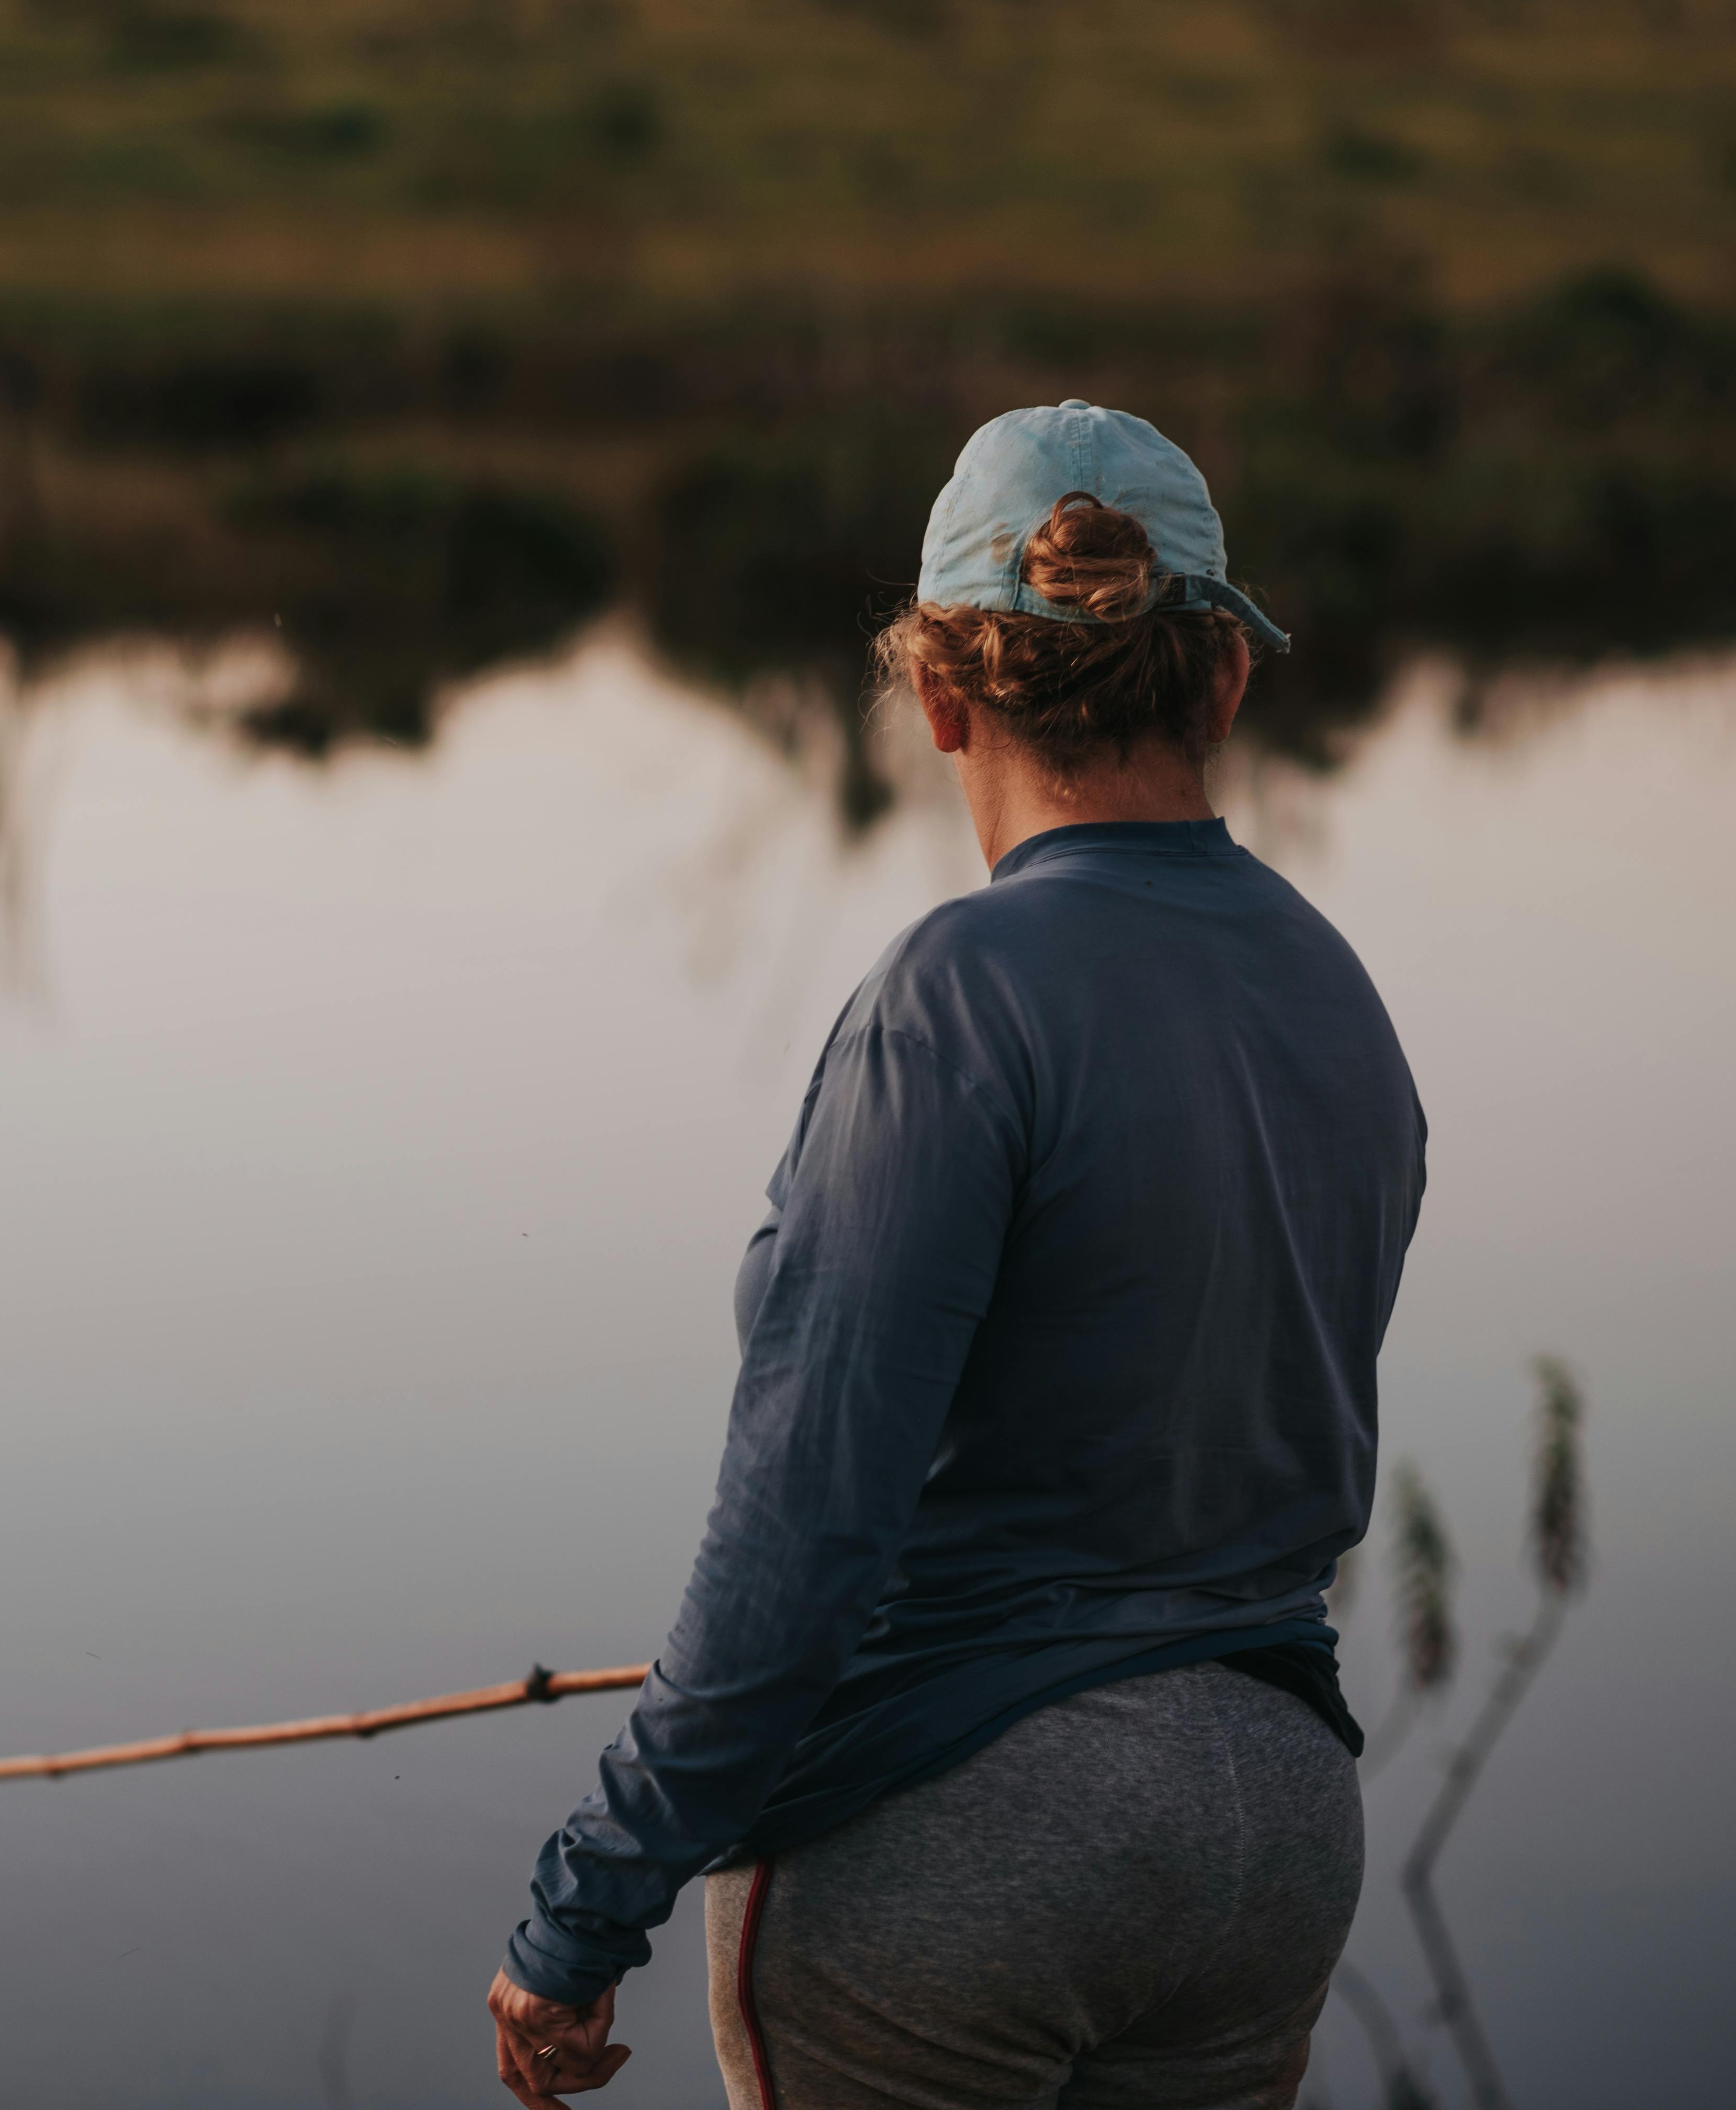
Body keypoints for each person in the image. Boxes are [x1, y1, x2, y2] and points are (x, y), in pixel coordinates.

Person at [483, 402, 1425, 2110]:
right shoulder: (1338, 996)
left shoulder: (957, 1000)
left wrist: (585, 1907)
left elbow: (806, 1525)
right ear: (1222, 682)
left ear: (937, 696)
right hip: (1278, 1835)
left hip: (960, 1841)